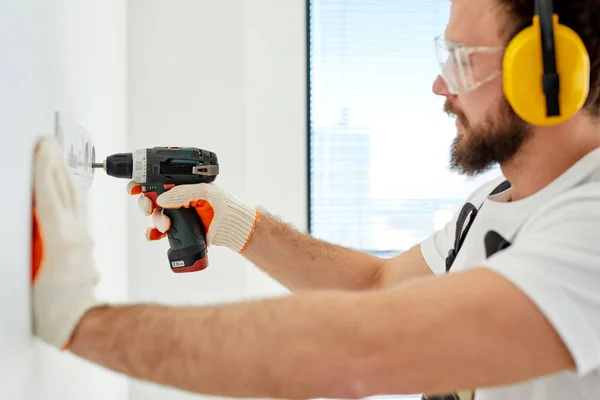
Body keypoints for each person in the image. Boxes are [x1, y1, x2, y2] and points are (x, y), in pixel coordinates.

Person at [31, 0, 600, 399]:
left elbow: (356, 352)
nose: (439, 86)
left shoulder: (589, 225)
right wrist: (234, 223)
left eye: (461, 59)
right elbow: (376, 289)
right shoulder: (494, 204)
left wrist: (81, 321)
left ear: (548, 76)